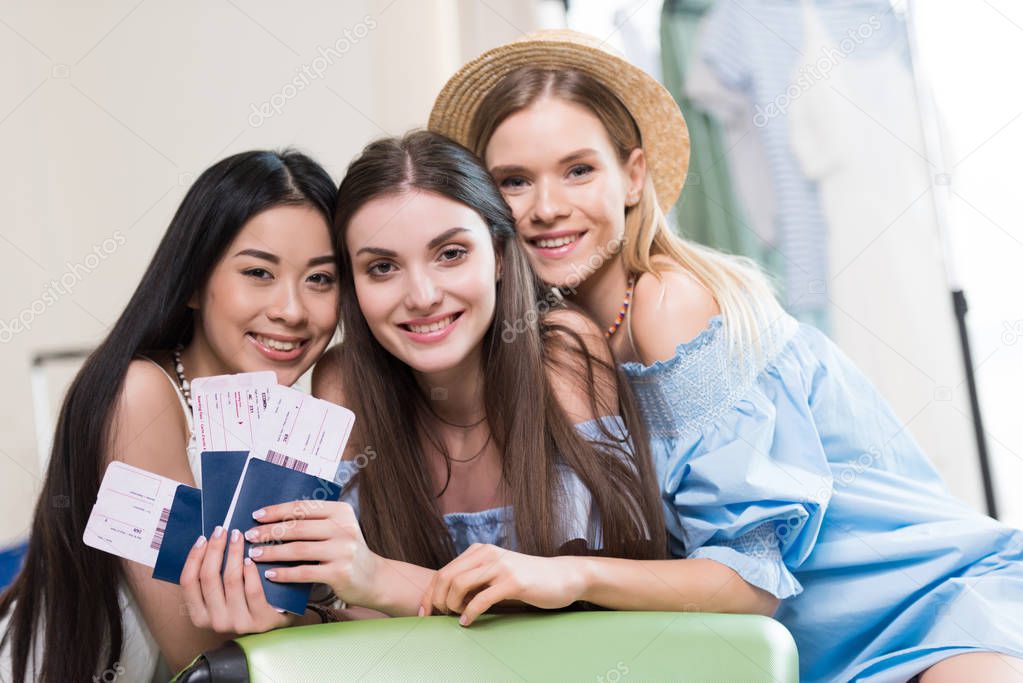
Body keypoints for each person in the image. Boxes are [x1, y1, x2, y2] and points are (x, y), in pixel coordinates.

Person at [428, 29, 1023, 683]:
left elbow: (750, 580)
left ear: (631, 176)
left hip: (931, 605)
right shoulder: (552, 346)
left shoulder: (667, 302)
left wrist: (567, 575)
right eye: (514, 181)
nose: (546, 207)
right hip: (804, 657)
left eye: (578, 170)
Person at [199, 131, 694, 628]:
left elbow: (592, 611)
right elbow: (369, 626)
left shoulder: (561, 350)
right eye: (382, 267)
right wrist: (281, 619)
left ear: (500, 255)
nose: (422, 295)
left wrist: (380, 577)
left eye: (451, 254)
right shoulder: (344, 382)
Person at [0, 149, 340, 682]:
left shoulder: (288, 417)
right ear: (193, 285)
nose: (292, 310)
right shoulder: (141, 395)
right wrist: (332, 603)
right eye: (258, 272)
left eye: (320, 279)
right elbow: (199, 653)